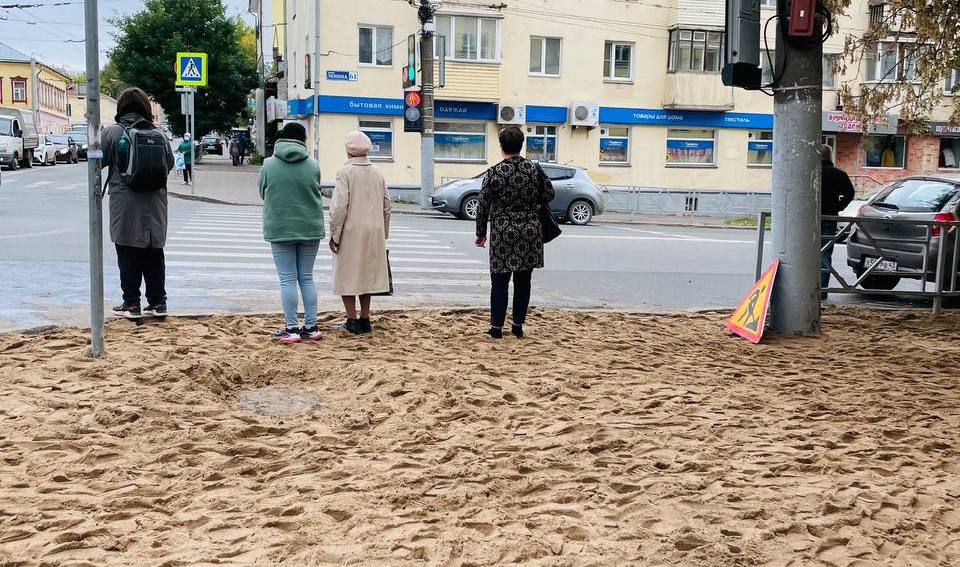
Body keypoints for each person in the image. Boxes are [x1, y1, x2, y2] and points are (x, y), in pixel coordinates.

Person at [475, 126, 555, 339]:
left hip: (502, 233)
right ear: (522, 145)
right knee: (523, 281)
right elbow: (549, 194)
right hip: (530, 232)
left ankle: (496, 328)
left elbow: (483, 205)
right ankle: (518, 326)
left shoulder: (494, 172)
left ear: (501, 146)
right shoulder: (534, 169)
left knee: (499, 281)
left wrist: (481, 233)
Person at [102, 87, 175, 319]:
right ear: (145, 108)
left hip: (125, 203)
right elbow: (170, 164)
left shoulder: (113, 132)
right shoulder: (160, 134)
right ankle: (158, 302)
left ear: (121, 107)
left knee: (127, 251)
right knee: (154, 252)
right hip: (155, 202)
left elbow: (97, 162)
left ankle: (131, 303)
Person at [259, 122, 326, 343]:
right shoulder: (313, 164)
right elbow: (316, 189)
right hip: (310, 227)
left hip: (280, 228)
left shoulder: (269, 164)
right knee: (306, 278)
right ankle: (311, 326)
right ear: (303, 139)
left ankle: (291, 329)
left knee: (287, 280)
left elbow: (262, 191)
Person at [329, 131, 392, 335]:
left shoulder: (344, 173)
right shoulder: (378, 172)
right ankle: (365, 318)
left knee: (347, 275)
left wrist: (334, 234)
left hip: (350, 230)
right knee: (367, 275)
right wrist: (384, 231)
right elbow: (387, 205)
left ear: (348, 151)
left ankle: (351, 319)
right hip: (374, 230)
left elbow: (339, 208)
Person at [821, 144, 855, 300]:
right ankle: (821, 289)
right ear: (830, 156)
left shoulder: (810, 173)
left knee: (804, 253)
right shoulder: (839, 174)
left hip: (807, 220)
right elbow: (850, 193)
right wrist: (838, 206)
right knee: (825, 253)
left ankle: (804, 286)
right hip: (830, 217)